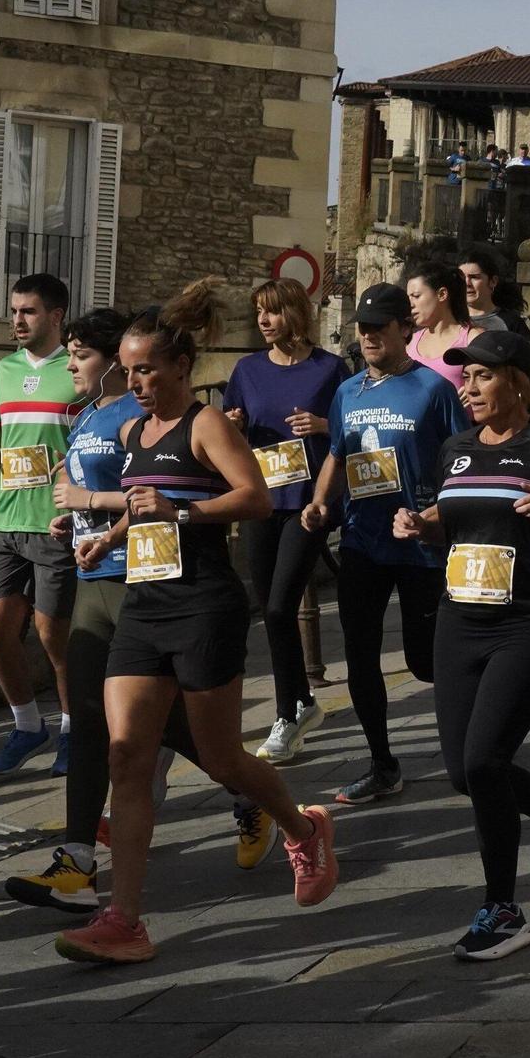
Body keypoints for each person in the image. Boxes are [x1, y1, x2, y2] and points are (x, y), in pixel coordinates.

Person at [57, 281, 338, 964]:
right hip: (144, 604)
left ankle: (302, 828)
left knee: (220, 757)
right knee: (127, 755)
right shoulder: (132, 430)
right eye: (129, 371)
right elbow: (144, 505)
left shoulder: (207, 423)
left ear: (181, 366)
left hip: (204, 604)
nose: (136, 383)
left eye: (146, 370)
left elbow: (256, 498)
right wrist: (107, 536)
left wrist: (180, 513)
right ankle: (125, 920)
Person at [6, 308, 264, 914]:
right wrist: (89, 525)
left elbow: (193, 496)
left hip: (149, 583)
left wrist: (99, 501)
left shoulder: (153, 416)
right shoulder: (93, 418)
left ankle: (254, 797)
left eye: (82, 356)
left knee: (172, 726)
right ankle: (79, 864)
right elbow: (132, 499)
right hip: (98, 576)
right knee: (92, 720)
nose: (71, 365)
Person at [395, 330, 530, 960]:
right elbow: (453, 522)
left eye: (482, 377)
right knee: (463, 772)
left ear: (518, 381)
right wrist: (419, 524)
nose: (468, 389)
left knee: (486, 759)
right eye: (465, 378)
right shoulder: (456, 449)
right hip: (459, 619)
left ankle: (502, 910)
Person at [301, 284, 468, 805]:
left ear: (405, 330)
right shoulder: (348, 392)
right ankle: (382, 764)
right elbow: (337, 453)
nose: (369, 336)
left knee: (424, 661)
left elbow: (461, 460)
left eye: (380, 327)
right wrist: (320, 502)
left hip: (420, 544)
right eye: (364, 328)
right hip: (363, 540)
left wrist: (436, 516)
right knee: (360, 654)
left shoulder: (433, 389)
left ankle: (480, 722)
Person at [222, 280, 347, 762]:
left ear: (295, 313)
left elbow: (357, 428)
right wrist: (233, 426)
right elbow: (229, 431)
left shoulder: (329, 369)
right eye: (259, 311)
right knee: (270, 607)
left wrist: (323, 425)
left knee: (279, 609)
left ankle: (287, 714)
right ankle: (303, 703)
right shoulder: (247, 370)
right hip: (260, 499)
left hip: (309, 502)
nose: (263, 320)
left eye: (272, 311)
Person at [0, 273, 78, 777]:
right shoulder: (5, 368)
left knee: (54, 636)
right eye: (14, 311)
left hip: (54, 522)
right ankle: (28, 726)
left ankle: (75, 729)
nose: (17, 320)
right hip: (4, 517)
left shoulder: (76, 368)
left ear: (55, 316)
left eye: (27, 311)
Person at [405, 262, 481, 390]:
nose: (410, 304)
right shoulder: (410, 342)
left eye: (416, 296)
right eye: (408, 298)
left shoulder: (473, 339)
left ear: (442, 294)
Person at [459, 244, 530, 338]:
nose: (467, 283)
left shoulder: (511, 323)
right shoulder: (449, 319)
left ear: (493, 281)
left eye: (474, 277)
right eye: (462, 278)